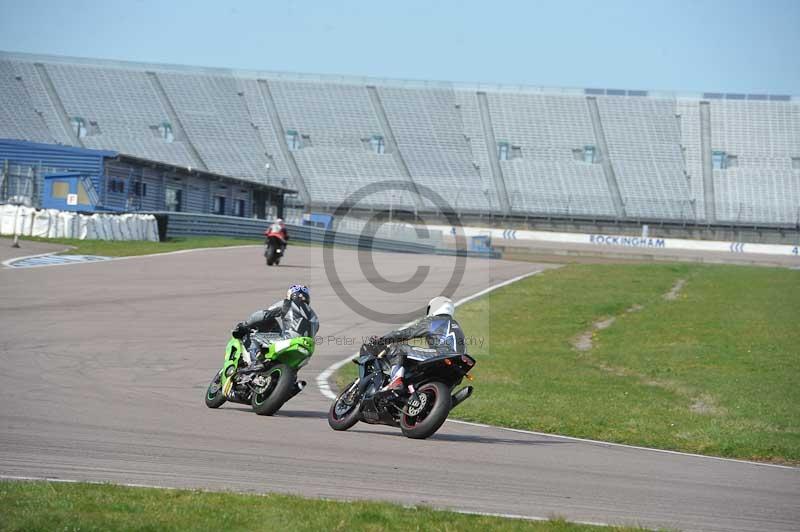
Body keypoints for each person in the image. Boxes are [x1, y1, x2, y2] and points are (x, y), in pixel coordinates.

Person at [369, 296, 465, 393]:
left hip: (441, 356)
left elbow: (407, 333)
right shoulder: (456, 326)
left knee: (399, 348)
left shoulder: (434, 321)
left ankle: (396, 381)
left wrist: (382, 339)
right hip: (458, 365)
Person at [231, 284, 319, 367]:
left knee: (253, 337)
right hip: (307, 348)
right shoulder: (315, 317)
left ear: (290, 295)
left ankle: (255, 362)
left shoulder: (287, 303)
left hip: (290, 340)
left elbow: (264, 315)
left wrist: (245, 325)